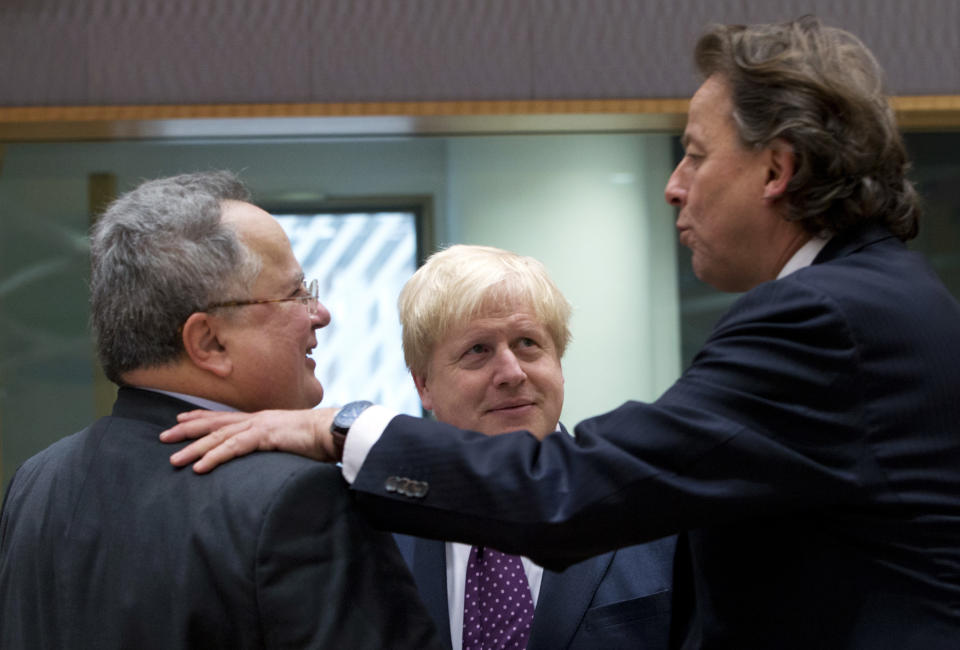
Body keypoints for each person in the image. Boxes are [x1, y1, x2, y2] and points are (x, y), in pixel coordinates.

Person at [160, 17, 960, 649]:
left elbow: (571, 493)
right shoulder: (879, 299)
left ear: (776, 170)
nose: (674, 188)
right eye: (475, 351)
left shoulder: (820, 320)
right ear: (424, 380)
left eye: (693, 155)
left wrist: (340, 426)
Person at [0, 171, 442, 649]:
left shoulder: (37, 481)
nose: (320, 314)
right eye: (295, 294)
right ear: (208, 341)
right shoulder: (294, 498)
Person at [391, 244, 676, 649]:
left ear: (558, 361)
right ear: (424, 385)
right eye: (478, 350)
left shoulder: (652, 506)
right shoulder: (380, 536)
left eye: (527, 343)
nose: (511, 372)